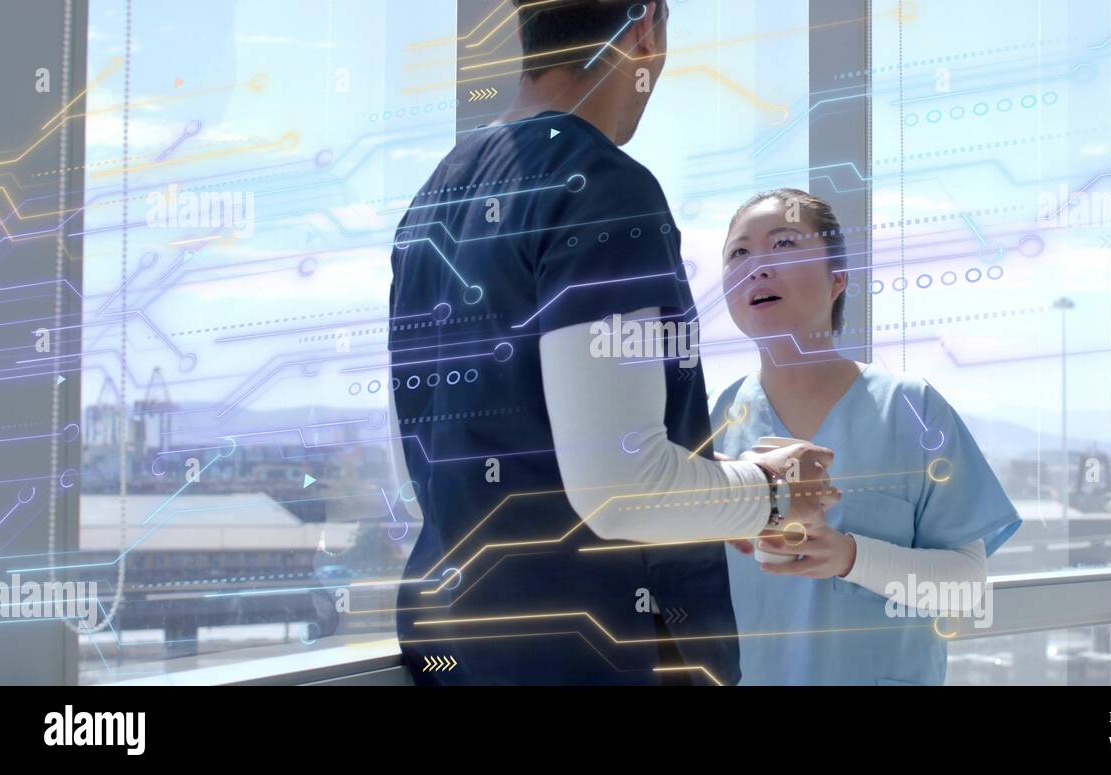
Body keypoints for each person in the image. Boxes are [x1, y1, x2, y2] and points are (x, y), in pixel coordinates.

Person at [388, 3, 837, 685]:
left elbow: (439, 458)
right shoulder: (602, 190)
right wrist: (773, 490)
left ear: (522, 32)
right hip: (596, 654)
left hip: (456, 645)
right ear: (646, 27)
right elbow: (621, 490)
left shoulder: (431, 203)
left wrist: (719, 497)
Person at [709, 189, 1022, 685]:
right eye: (739, 252)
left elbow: (965, 587)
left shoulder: (912, 410)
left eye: (784, 244)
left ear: (837, 280)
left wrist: (850, 557)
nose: (757, 266)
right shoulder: (712, 423)